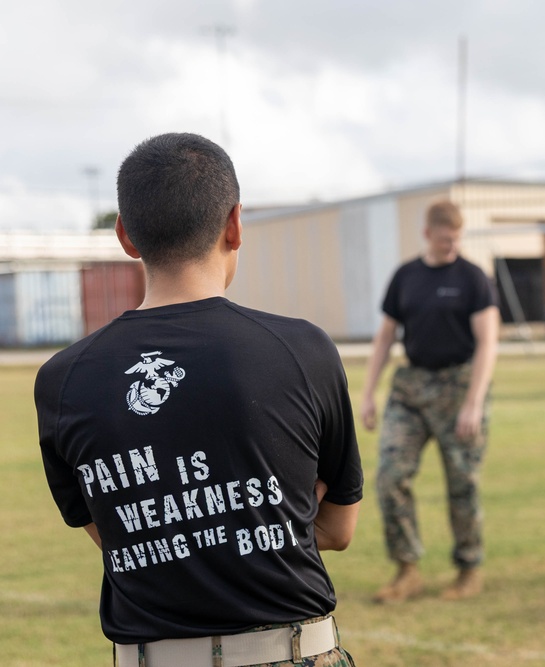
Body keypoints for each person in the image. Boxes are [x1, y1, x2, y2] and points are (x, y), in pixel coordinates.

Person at [35, 133, 363, 666]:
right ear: (235, 224)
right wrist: (269, 521)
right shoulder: (304, 349)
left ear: (125, 236)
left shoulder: (62, 379)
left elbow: (125, 541)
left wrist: (182, 533)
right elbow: (336, 529)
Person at [360, 200, 499, 603]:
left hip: (459, 388)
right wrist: (369, 393)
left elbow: (488, 342)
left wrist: (474, 402)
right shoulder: (406, 276)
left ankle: (468, 568)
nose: (451, 245)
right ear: (427, 234)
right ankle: (407, 570)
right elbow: (386, 337)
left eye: (456, 238)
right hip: (411, 390)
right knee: (390, 478)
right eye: (444, 239)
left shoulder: (473, 278)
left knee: (463, 483)